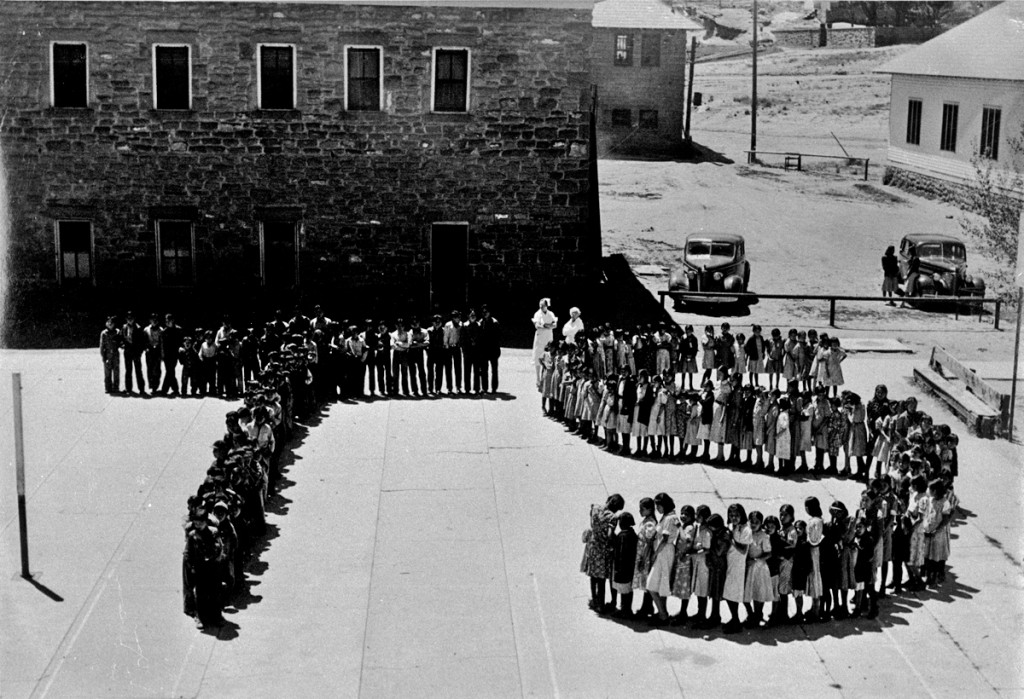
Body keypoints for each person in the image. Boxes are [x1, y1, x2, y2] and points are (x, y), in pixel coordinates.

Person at [581, 494, 624, 612]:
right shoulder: (612, 517)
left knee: (593, 576)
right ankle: (601, 604)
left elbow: (592, 518)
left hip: (593, 546)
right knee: (601, 578)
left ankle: (594, 600)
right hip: (603, 549)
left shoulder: (595, 508)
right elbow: (610, 535)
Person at [645, 493, 681, 625]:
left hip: (664, 552)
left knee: (651, 585)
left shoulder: (670, 518)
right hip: (664, 552)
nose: (657, 508)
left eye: (658, 505)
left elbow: (665, 539)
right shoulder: (669, 516)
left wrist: (656, 553)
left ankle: (663, 614)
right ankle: (662, 613)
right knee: (660, 584)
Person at [722, 503, 752, 633]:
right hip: (729, 562)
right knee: (728, 594)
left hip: (738, 566)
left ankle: (736, 621)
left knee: (733, 594)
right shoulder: (731, 527)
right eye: (731, 515)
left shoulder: (746, 530)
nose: (733, 518)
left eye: (736, 515)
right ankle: (735, 618)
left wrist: (731, 540)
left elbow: (743, 549)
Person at [610, 512, 638, 618]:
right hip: (630, 568)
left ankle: (624, 610)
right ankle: (627, 609)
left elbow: (621, 553)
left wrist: (618, 569)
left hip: (622, 568)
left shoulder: (622, 536)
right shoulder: (632, 534)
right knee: (628, 590)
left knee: (623, 590)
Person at [532, 298, 557, 387]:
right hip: (540, 338)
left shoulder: (551, 314)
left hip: (548, 337)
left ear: (547, 306)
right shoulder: (537, 314)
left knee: (548, 357)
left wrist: (546, 325)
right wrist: (547, 325)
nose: (541, 307)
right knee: (538, 357)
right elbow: (537, 325)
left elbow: (554, 325)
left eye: (543, 305)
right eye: (540, 305)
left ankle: (545, 378)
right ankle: (538, 379)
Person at [477, 305, 501, 394]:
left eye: (486, 312)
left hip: (493, 350)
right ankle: (485, 388)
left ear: (489, 313)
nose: (485, 314)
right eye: (483, 312)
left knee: (494, 370)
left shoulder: (495, 322)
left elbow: (498, 337)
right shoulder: (480, 322)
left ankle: (494, 388)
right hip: (484, 350)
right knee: (484, 370)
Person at [121, 311, 146, 395]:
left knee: (138, 370)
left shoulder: (138, 328)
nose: (130, 320)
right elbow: (122, 338)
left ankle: (141, 389)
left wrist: (140, 352)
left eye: (131, 318)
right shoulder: (124, 327)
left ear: (134, 319)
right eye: (128, 318)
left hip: (136, 352)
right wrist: (122, 345)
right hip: (127, 352)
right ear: (126, 319)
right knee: (128, 370)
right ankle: (128, 388)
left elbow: (142, 341)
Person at [162, 314, 184, 396]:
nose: (167, 322)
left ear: (173, 320)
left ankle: (165, 389)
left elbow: (181, 341)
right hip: (167, 354)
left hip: (174, 354)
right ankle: (175, 389)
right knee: (170, 371)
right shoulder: (164, 331)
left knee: (170, 371)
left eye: (168, 321)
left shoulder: (178, 330)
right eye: (166, 321)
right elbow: (163, 344)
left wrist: (181, 350)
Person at [100, 316, 122, 394]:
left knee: (116, 371)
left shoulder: (117, 332)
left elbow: (120, 342)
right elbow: (102, 346)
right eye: (108, 322)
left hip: (115, 353)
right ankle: (107, 387)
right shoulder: (104, 333)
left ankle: (116, 387)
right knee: (107, 372)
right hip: (108, 354)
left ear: (114, 324)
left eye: (111, 323)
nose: (110, 324)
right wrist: (103, 357)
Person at [144, 313, 163, 392]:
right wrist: (146, 348)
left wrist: (162, 353)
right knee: (150, 368)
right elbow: (144, 341)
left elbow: (162, 342)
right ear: (150, 320)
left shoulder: (161, 330)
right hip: (149, 351)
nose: (154, 321)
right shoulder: (146, 330)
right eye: (152, 320)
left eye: (155, 320)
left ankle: (156, 385)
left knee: (157, 368)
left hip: (157, 350)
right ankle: (151, 385)